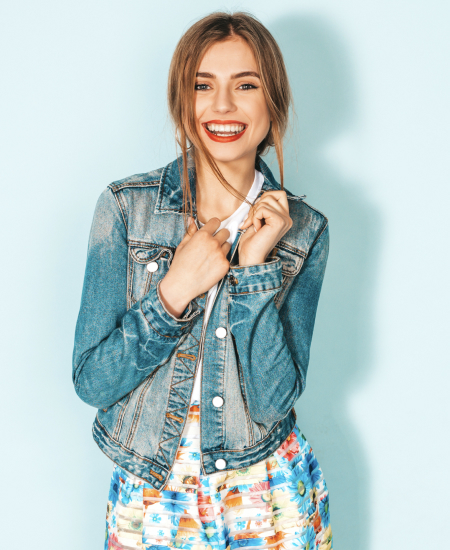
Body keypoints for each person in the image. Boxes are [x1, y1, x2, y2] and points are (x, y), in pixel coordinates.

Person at [72, 11, 332, 550]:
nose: (223, 105)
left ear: (273, 102)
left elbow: (272, 402)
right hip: (151, 498)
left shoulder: (305, 231)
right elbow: (92, 381)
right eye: (202, 85)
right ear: (182, 101)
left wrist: (255, 267)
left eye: (246, 85)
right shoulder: (125, 210)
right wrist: (173, 292)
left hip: (268, 495)